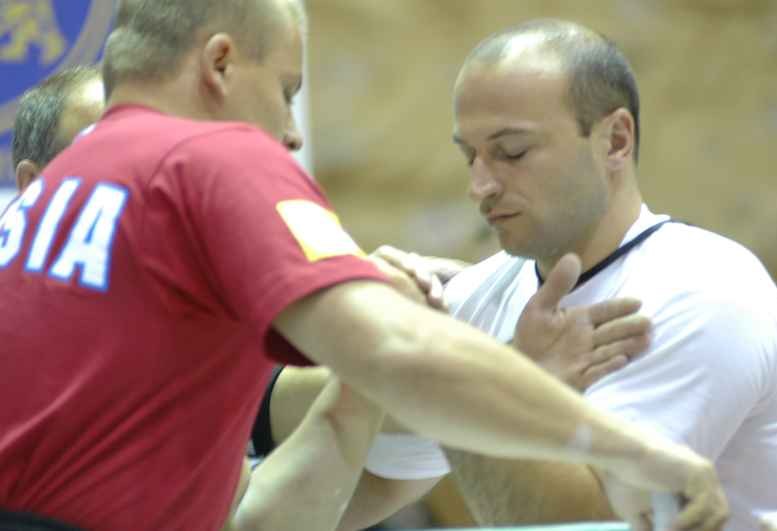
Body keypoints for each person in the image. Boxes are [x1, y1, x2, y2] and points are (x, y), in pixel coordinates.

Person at [0, 2, 728, 531]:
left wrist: (362, 375)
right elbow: (397, 347)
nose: (288, 132)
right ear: (220, 63)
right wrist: (633, 450)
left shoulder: (66, 185)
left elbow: (255, 518)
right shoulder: (206, 155)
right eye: (286, 90)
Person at [378, 18, 777, 530]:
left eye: (512, 151)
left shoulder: (707, 292)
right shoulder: (479, 295)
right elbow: (351, 492)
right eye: (470, 157)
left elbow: (574, 522)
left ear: (615, 140)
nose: (480, 186)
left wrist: (472, 380)